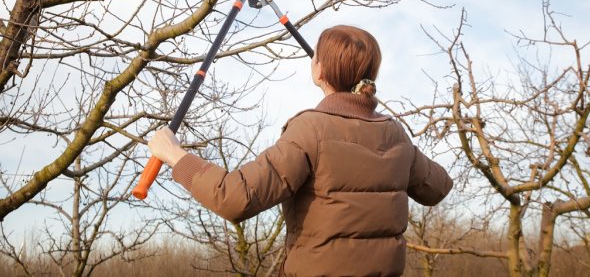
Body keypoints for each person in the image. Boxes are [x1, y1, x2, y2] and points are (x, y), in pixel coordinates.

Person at [148, 25, 453, 276]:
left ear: (319, 71)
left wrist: (176, 156)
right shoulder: (396, 135)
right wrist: (383, 127)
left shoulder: (311, 130)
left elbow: (235, 198)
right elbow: (439, 187)